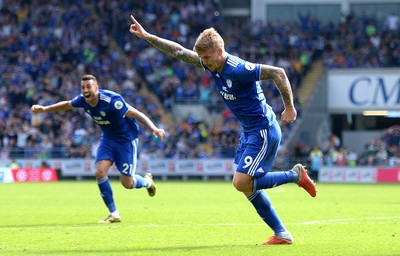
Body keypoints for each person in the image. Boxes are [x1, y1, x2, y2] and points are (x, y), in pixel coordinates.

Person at [129, 15, 317, 245]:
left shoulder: (237, 69)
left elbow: (278, 72)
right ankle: (282, 234)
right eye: (202, 58)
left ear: (220, 50)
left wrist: (289, 107)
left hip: (263, 130)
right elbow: (179, 52)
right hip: (249, 131)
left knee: (240, 183)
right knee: (247, 188)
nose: (204, 62)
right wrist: (147, 36)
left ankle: (295, 175)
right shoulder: (211, 63)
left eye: (207, 57)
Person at [31, 74, 165, 223]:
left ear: (97, 88)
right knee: (100, 172)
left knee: (127, 183)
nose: (85, 90)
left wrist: (154, 128)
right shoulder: (82, 100)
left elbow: (136, 113)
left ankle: (147, 182)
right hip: (107, 138)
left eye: (89, 87)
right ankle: (114, 214)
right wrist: (44, 109)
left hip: (126, 140)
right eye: (83, 87)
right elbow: (67, 104)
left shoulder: (112, 100)